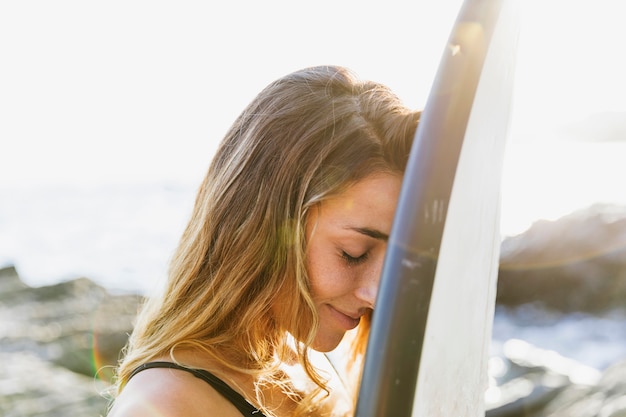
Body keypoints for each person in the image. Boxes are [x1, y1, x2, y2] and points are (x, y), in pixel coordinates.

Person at [107, 65, 420, 417]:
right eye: (353, 254)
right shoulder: (164, 407)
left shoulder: (303, 369)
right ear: (266, 230)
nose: (378, 294)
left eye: (394, 260)